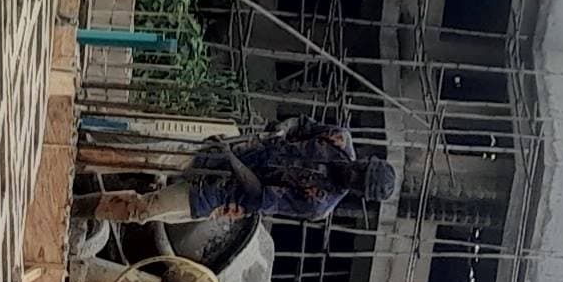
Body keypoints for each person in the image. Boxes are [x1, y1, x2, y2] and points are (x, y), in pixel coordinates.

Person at [85, 117, 395, 230]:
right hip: (238, 149)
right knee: (150, 154)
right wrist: (283, 127)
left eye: (357, 182)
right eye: (360, 169)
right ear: (365, 160)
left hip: (222, 194)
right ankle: (81, 156)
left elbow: (259, 196)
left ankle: (79, 206)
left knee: (145, 209)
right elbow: (301, 124)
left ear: (357, 194)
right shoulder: (340, 138)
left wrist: (231, 162)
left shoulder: (319, 205)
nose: (352, 174)